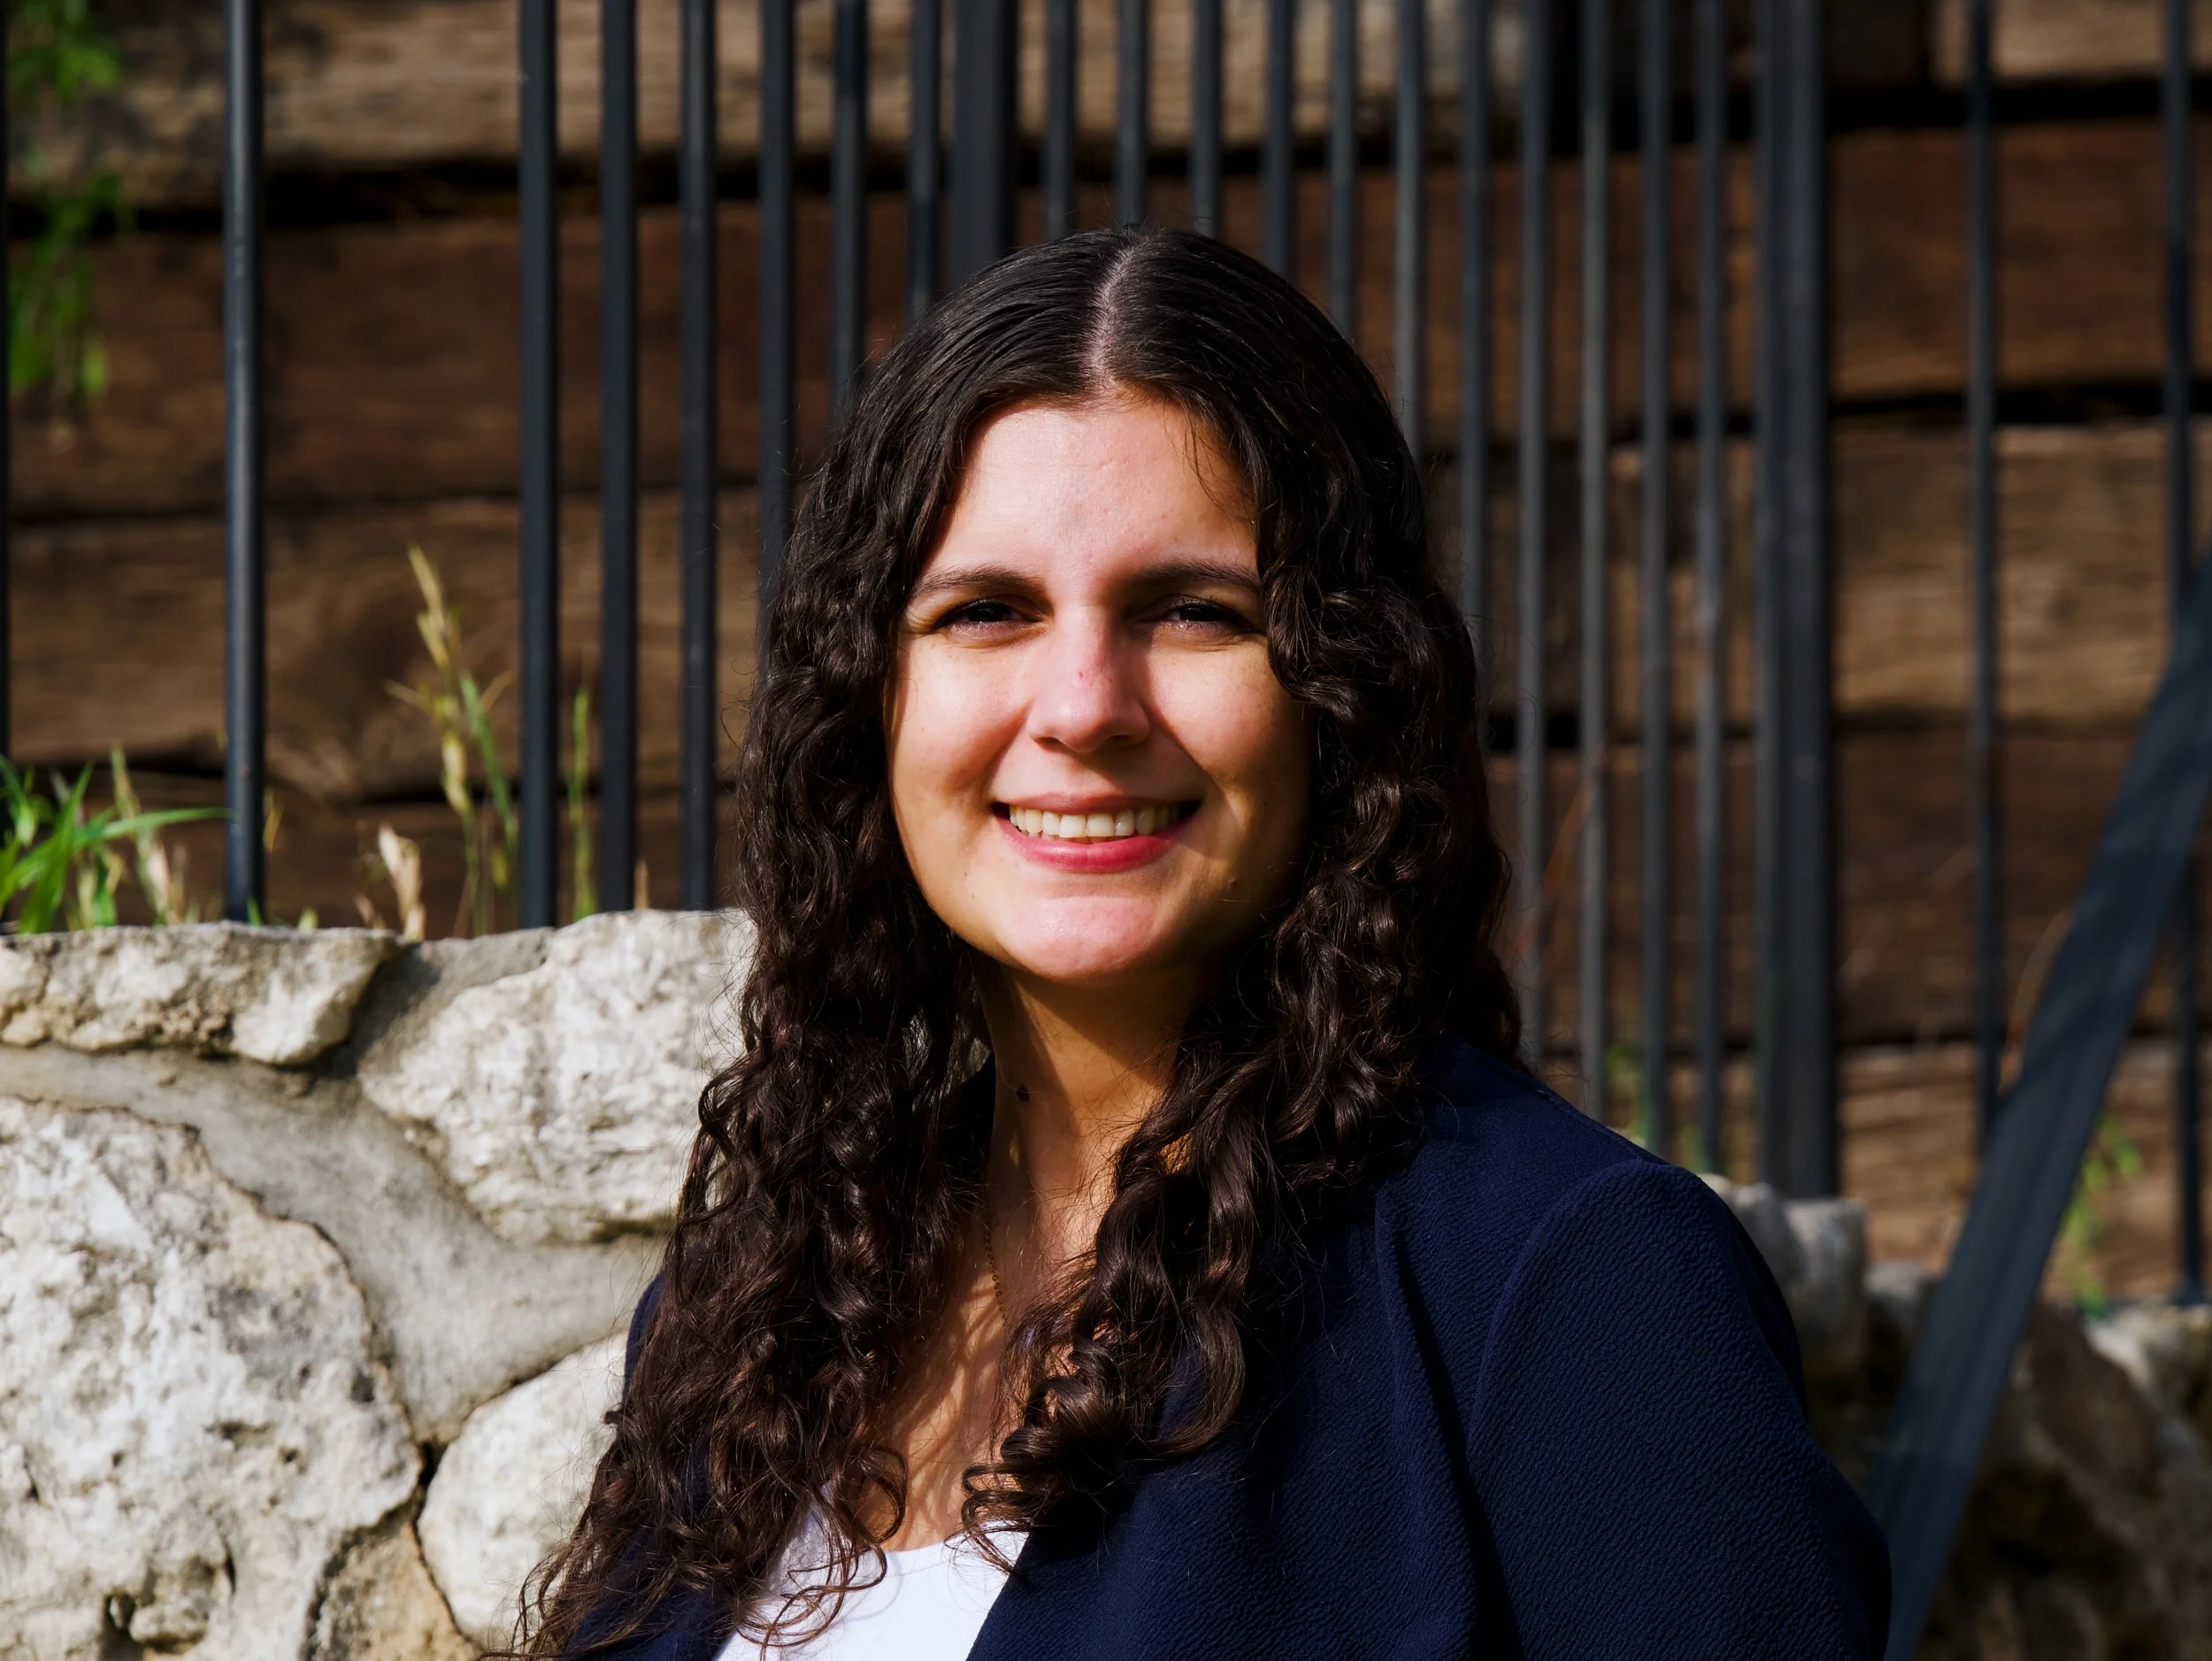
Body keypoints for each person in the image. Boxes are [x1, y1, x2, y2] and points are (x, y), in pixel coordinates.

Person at [523, 226, 1889, 1661]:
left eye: (1193, 611)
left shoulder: (1569, 1280)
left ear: (1340, 693)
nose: (1083, 705)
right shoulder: (766, 1305)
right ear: (872, 700)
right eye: (987, 611)